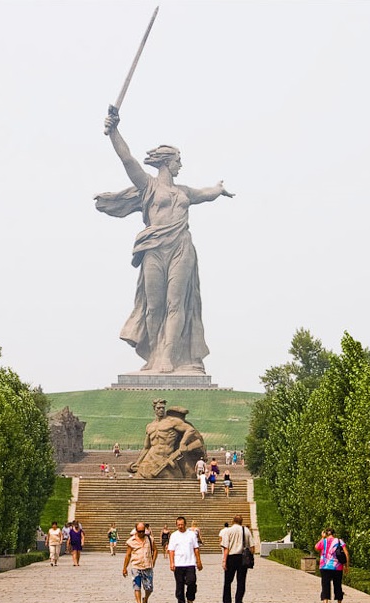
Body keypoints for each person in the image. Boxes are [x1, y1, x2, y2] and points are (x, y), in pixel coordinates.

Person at [97, 109, 234, 374]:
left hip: (181, 247)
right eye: (178, 160)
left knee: (176, 303)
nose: (181, 165)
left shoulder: (184, 192)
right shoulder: (148, 186)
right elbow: (127, 159)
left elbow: (206, 193)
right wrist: (114, 131)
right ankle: (154, 355)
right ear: (166, 162)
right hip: (154, 249)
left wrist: (218, 189)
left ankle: (168, 357)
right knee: (154, 306)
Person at [130, 400, 205, 478]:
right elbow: (146, 447)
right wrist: (138, 462)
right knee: (139, 479)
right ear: (154, 409)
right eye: (158, 408)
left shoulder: (172, 422)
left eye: (163, 408)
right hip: (150, 459)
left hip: (166, 458)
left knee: (175, 481)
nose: (161, 410)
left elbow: (190, 429)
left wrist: (182, 443)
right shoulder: (149, 426)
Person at [219, 514, 255, 603]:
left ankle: (227, 602)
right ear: (241, 522)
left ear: (233, 521)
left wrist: (224, 560)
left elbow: (226, 548)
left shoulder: (228, 531)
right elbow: (252, 547)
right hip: (242, 558)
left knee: (228, 581)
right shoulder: (246, 530)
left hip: (231, 557)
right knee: (241, 581)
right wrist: (250, 556)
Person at [168, 516, 202, 603]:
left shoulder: (191, 534)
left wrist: (199, 561)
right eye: (178, 525)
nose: (180, 526)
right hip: (178, 563)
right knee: (180, 585)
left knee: (191, 581)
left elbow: (196, 548)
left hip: (190, 563)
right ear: (176, 525)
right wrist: (172, 563)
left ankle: (190, 599)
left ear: (185, 524)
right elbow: (171, 550)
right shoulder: (174, 535)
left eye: (182, 524)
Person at [123, 522, 158, 603]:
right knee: (136, 586)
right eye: (140, 531)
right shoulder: (131, 541)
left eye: (143, 531)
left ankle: (145, 600)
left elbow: (155, 550)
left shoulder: (150, 539)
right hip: (136, 566)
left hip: (147, 566)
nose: (142, 533)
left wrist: (153, 561)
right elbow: (128, 555)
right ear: (136, 530)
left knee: (149, 588)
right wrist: (125, 568)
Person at [315, 528, 350, 603]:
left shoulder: (324, 541)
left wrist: (322, 537)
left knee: (325, 584)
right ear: (334, 533)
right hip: (337, 567)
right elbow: (346, 553)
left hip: (325, 566)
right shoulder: (339, 541)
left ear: (326, 533)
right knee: (338, 585)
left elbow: (316, 547)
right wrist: (346, 565)